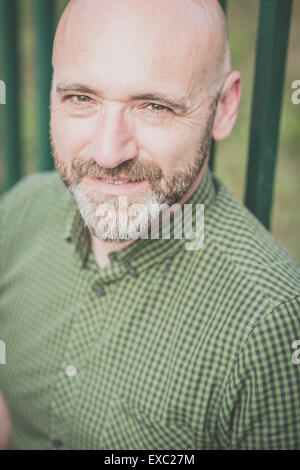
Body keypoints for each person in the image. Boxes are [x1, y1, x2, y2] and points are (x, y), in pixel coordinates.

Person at [0, 0, 299, 450]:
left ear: (223, 107)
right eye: (81, 98)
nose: (107, 152)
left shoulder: (270, 322)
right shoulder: (20, 212)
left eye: (154, 106)